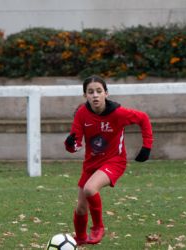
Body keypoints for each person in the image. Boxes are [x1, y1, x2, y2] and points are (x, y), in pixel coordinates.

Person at [64, 75, 153, 245]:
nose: (95, 95)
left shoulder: (118, 113)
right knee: (81, 207)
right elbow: (76, 144)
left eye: (99, 91)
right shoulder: (82, 114)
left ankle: (98, 227)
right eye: (90, 92)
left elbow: (143, 118)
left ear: (106, 93)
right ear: (85, 96)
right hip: (91, 164)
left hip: (114, 161)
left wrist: (147, 146)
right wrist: (69, 144)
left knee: (90, 189)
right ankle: (81, 238)